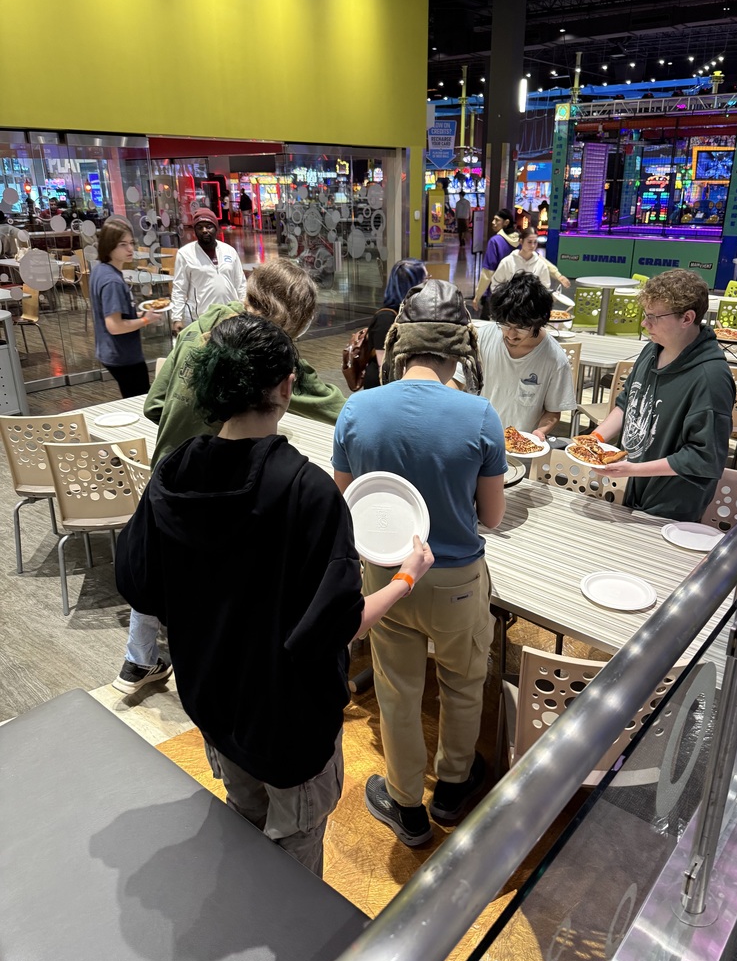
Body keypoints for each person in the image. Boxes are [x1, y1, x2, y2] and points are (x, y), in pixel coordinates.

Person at [115, 313, 433, 876]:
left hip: (213, 700)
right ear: (288, 386)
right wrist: (408, 576)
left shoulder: (174, 473)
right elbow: (339, 625)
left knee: (242, 819)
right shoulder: (308, 493)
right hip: (289, 723)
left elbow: (139, 584)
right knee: (297, 856)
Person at [333, 280, 507, 846]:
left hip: (387, 577)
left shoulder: (359, 408)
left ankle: (406, 805)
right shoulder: (479, 416)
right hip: (456, 578)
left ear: (400, 341)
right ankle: (453, 788)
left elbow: (345, 504)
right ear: (462, 348)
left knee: (398, 688)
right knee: (462, 680)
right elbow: (493, 516)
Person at [146, 257, 345, 466]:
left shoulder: (193, 330)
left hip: (162, 475)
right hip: (210, 486)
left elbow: (154, 405)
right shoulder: (270, 357)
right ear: (297, 318)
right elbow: (341, 411)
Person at [590, 270, 735, 521]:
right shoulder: (652, 350)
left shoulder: (710, 378)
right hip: (634, 485)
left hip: (672, 502)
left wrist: (634, 469)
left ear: (687, 318)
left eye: (654, 317)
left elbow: (704, 456)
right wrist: (595, 438)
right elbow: (628, 403)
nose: (645, 324)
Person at [455, 271, 576, 438]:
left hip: (519, 447)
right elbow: (456, 381)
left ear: (538, 322)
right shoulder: (482, 338)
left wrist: (539, 433)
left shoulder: (555, 360)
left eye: (520, 327)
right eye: (505, 325)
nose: (511, 335)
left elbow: (553, 412)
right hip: (476, 438)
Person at [89, 220, 163, 397]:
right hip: (122, 355)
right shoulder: (112, 281)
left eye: (131, 243)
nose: (130, 249)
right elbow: (114, 326)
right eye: (123, 244)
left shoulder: (101, 271)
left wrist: (138, 314)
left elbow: (115, 313)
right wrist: (146, 320)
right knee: (141, 402)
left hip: (113, 352)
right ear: (109, 246)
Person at [170, 207, 246, 335]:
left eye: (209, 226)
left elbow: (241, 283)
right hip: (202, 318)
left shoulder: (229, 251)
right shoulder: (185, 254)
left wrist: (244, 310)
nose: (205, 230)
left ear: (216, 228)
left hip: (231, 316)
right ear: (195, 231)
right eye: (200, 227)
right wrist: (177, 318)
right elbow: (179, 288)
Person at [363, 259, 428, 389]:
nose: (428, 284)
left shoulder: (410, 312)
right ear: (412, 284)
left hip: (403, 384)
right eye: (425, 279)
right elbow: (385, 368)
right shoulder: (386, 319)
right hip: (383, 389)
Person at [491, 226, 570, 294]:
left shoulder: (541, 265)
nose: (532, 245)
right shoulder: (507, 262)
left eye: (535, 242)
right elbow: (496, 284)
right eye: (529, 242)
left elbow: (545, 289)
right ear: (521, 241)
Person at [472, 208, 519, 319]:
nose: (493, 222)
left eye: (497, 220)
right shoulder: (521, 241)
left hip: (496, 293)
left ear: (506, 222)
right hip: (516, 294)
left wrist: (477, 296)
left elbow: (488, 273)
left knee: (487, 329)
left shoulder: (495, 241)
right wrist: (558, 275)